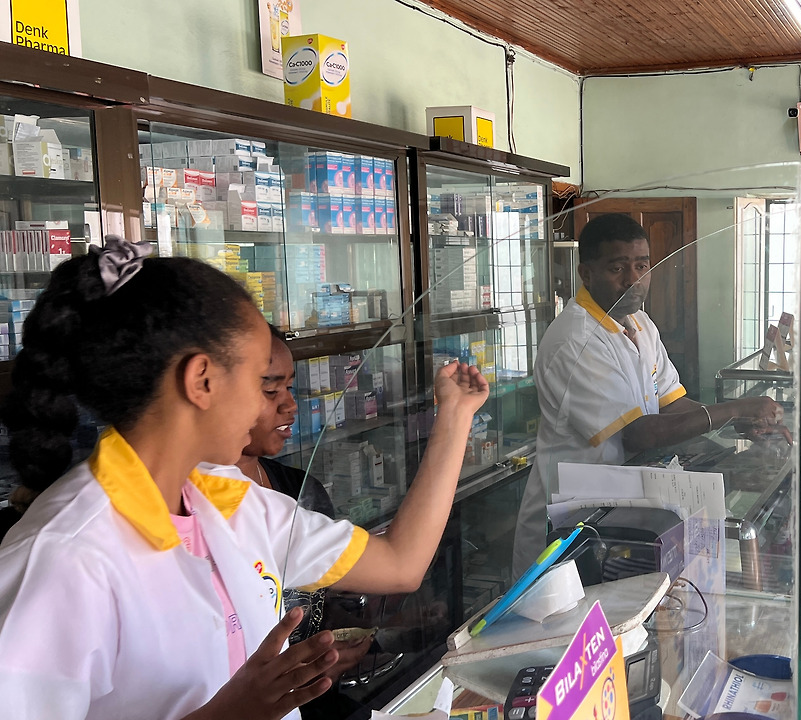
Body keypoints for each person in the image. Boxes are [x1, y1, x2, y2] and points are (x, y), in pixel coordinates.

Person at [0, 237, 488, 720]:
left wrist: (455, 415)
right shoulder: (63, 558)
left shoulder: (225, 502)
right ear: (202, 381)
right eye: (261, 382)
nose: (270, 405)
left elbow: (399, 564)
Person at [513, 213, 787, 573]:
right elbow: (639, 433)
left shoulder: (640, 322)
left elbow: (671, 403)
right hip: (571, 522)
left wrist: (736, 422)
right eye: (617, 268)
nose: (633, 280)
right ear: (586, 274)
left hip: (620, 514)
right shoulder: (575, 341)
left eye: (642, 266)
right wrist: (735, 409)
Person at [233, 325, 372, 720]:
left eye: (290, 388)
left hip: (316, 702)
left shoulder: (300, 490)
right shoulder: (195, 513)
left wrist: (359, 637)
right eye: (270, 390)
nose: (290, 406)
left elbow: (320, 604)